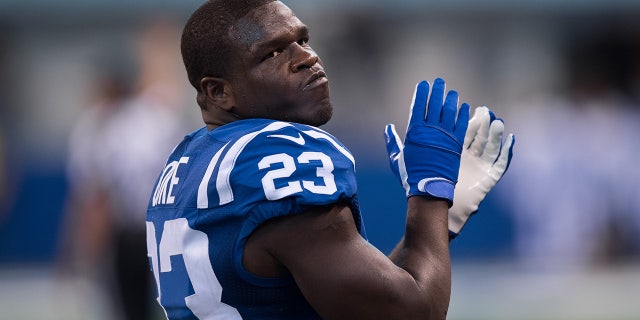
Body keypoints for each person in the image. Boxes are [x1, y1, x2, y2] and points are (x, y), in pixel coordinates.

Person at [146, 1, 514, 319]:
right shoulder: (277, 154)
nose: (307, 58)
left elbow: (351, 299)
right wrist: (430, 195)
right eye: (273, 54)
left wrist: (436, 221)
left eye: (302, 40)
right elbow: (408, 313)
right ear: (219, 91)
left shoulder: (185, 163)